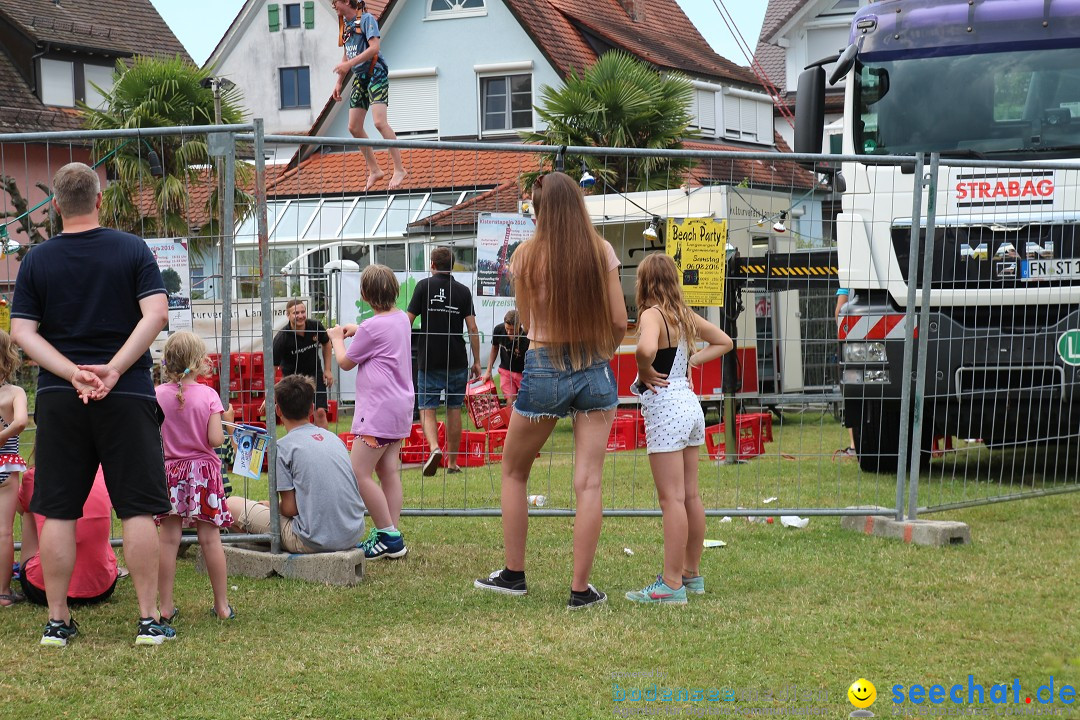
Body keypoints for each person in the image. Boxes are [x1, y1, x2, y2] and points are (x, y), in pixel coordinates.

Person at [11, 161, 174, 647]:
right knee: (139, 509)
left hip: (61, 397)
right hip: (127, 391)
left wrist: (70, 372)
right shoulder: (132, 249)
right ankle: (148, 620)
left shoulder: (37, 260)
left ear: (55, 205)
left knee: (58, 510)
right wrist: (115, 369)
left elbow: (22, 333)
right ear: (100, 199)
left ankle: (56, 622)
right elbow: (157, 314)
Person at [473, 171, 628, 609]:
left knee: (514, 471)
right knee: (588, 484)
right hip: (594, 367)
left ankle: (514, 574)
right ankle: (580, 591)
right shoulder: (601, 251)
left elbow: (523, 321)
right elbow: (619, 321)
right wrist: (603, 351)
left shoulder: (524, 256)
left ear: (539, 211)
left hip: (543, 368)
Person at [625, 253, 732, 605]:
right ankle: (691, 573)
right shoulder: (683, 314)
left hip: (666, 410)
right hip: (690, 406)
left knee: (670, 499)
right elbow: (725, 341)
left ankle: (670, 585)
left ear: (644, 283)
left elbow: (645, 347)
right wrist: (693, 362)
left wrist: (643, 369)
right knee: (690, 495)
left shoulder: (652, 315)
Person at [327, 264, 412, 560]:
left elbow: (345, 362)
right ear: (395, 290)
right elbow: (377, 333)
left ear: (364, 295)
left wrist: (337, 337)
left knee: (359, 472)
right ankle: (391, 533)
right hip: (399, 409)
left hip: (376, 412)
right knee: (388, 471)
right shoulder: (401, 319)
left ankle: (388, 534)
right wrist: (358, 328)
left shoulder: (373, 328)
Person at [226, 375, 366, 553]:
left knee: (231, 505)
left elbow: (290, 509)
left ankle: (267, 543)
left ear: (278, 411)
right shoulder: (334, 439)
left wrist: (271, 506)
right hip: (352, 533)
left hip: (312, 540)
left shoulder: (283, 448)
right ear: (312, 409)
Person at [155, 332, 234, 622]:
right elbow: (215, 439)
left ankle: (164, 607)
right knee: (210, 540)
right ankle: (222, 606)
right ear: (197, 361)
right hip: (204, 473)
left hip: (171, 473)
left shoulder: (157, 395)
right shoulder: (209, 395)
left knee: (168, 541)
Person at [407, 246, 481, 476]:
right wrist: (477, 360)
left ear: (432, 265)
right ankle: (452, 463)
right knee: (454, 409)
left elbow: (407, 321)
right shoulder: (463, 291)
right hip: (456, 359)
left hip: (429, 358)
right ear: (452, 266)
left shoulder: (423, 286)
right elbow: (472, 328)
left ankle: (435, 448)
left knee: (427, 408)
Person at [331, 0, 407, 191]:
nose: (334, 7)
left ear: (347, 2)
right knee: (354, 127)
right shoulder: (345, 25)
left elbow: (374, 48)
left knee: (379, 123)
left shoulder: (367, 20)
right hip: (360, 76)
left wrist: (348, 65)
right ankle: (375, 170)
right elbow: (346, 55)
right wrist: (339, 81)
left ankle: (399, 169)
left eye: (336, 3)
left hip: (376, 73)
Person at [17, 467, 120, 608]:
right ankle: (97, 567)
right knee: (95, 511)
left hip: (42, 589)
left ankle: (29, 565)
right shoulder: (101, 471)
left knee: (30, 509)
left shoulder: (35, 474)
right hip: (103, 588)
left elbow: (20, 508)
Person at [272, 299, 333, 429]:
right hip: (292, 380)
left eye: (302, 312)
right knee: (295, 417)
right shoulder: (281, 338)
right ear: (288, 315)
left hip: (314, 374)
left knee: (320, 412)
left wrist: (327, 370)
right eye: (295, 313)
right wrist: (270, 393)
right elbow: (272, 367)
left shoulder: (315, 326)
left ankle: (324, 446)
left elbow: (327, 343)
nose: (300, 316)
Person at [0, 329, 28, 607]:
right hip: (5, 468)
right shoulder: (14, 392)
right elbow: (20, 422)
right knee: (4, 532)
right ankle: (4, 591)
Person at [480, 309, 529, 406]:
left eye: (512, 330)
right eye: (507, 328)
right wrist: (488, 370)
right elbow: (494, 348)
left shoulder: (526, 337)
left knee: (525, 402)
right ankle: (509, 421)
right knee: (510, 400)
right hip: (506, 371)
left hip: (522, 373)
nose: (509, 332)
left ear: (519, 325)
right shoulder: (498, 330)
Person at [834, 288, 857, 459]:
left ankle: (854, 445)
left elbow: (839, 311)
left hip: (853, 347)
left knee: (852, 394)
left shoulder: (848, 281)